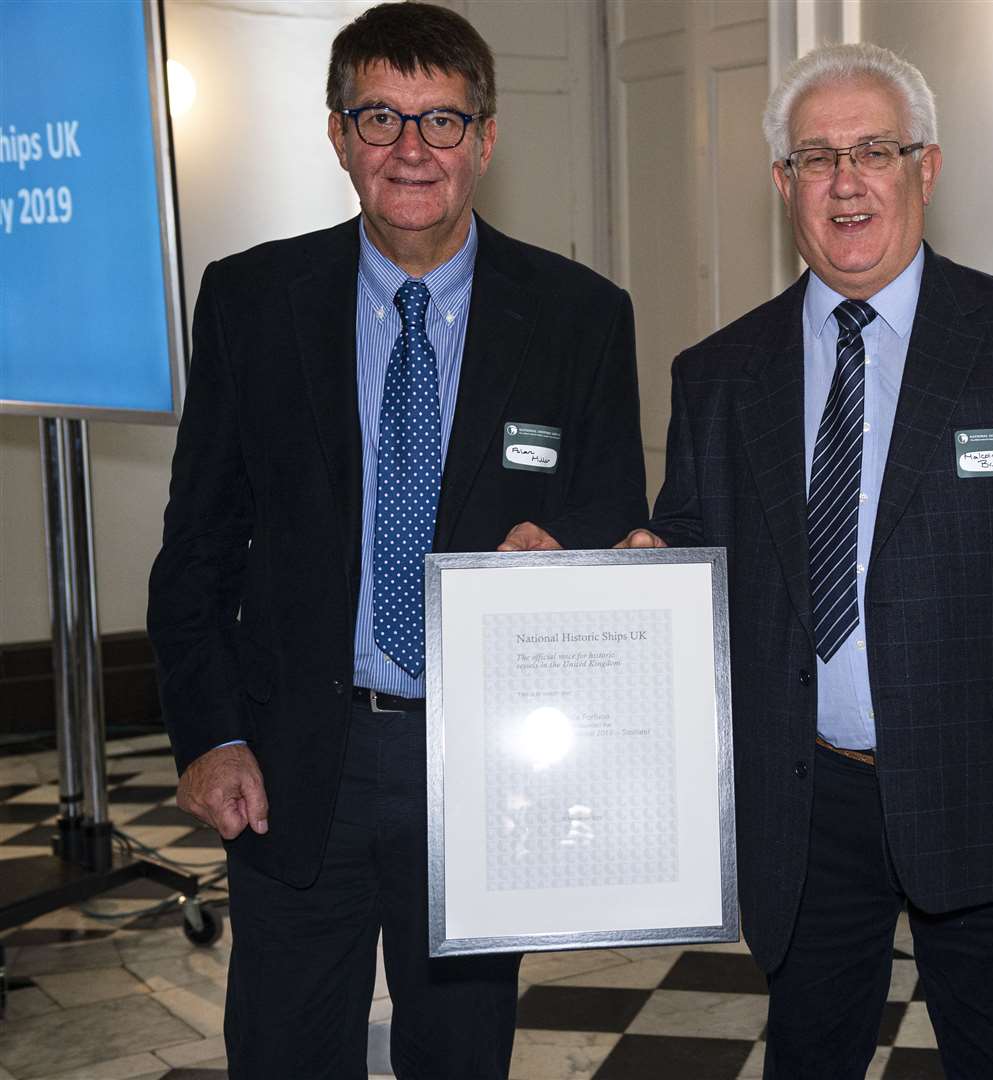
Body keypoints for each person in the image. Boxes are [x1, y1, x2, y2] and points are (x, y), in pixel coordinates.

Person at [618, 42, 993, 1078]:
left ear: (925, 169)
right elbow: (687, 550)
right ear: (784, 185)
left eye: (874, 151)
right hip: (805, 801)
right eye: (816, 158)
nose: (846, 180)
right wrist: (638, 567)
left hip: (991, 789)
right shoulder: (718, 375)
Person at [146, 4, 645, 1075]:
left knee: (461, 1059)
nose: (413, 150)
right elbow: (194, 551)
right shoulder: (250, 301)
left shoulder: (581, 318)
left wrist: (573, 561)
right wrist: (209, 736)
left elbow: (611, 530)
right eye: (381, 117)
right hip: (295, 765)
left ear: (489, 138)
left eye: (443, 121)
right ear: (337, 134)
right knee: (282, 1053)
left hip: (487, 771)